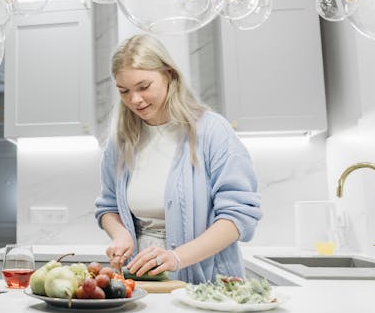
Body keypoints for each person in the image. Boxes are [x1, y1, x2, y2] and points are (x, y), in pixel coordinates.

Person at [94, 34, 262, 284]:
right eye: (124, 91)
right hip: (141, 281)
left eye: (144, 87)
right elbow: (108, 208)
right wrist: (120, 234)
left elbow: (239, 216)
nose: (135, 100)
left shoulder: (211, 131)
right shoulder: (121, 141)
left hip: (206, 280)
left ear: (169, 75)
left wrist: (177, 257)